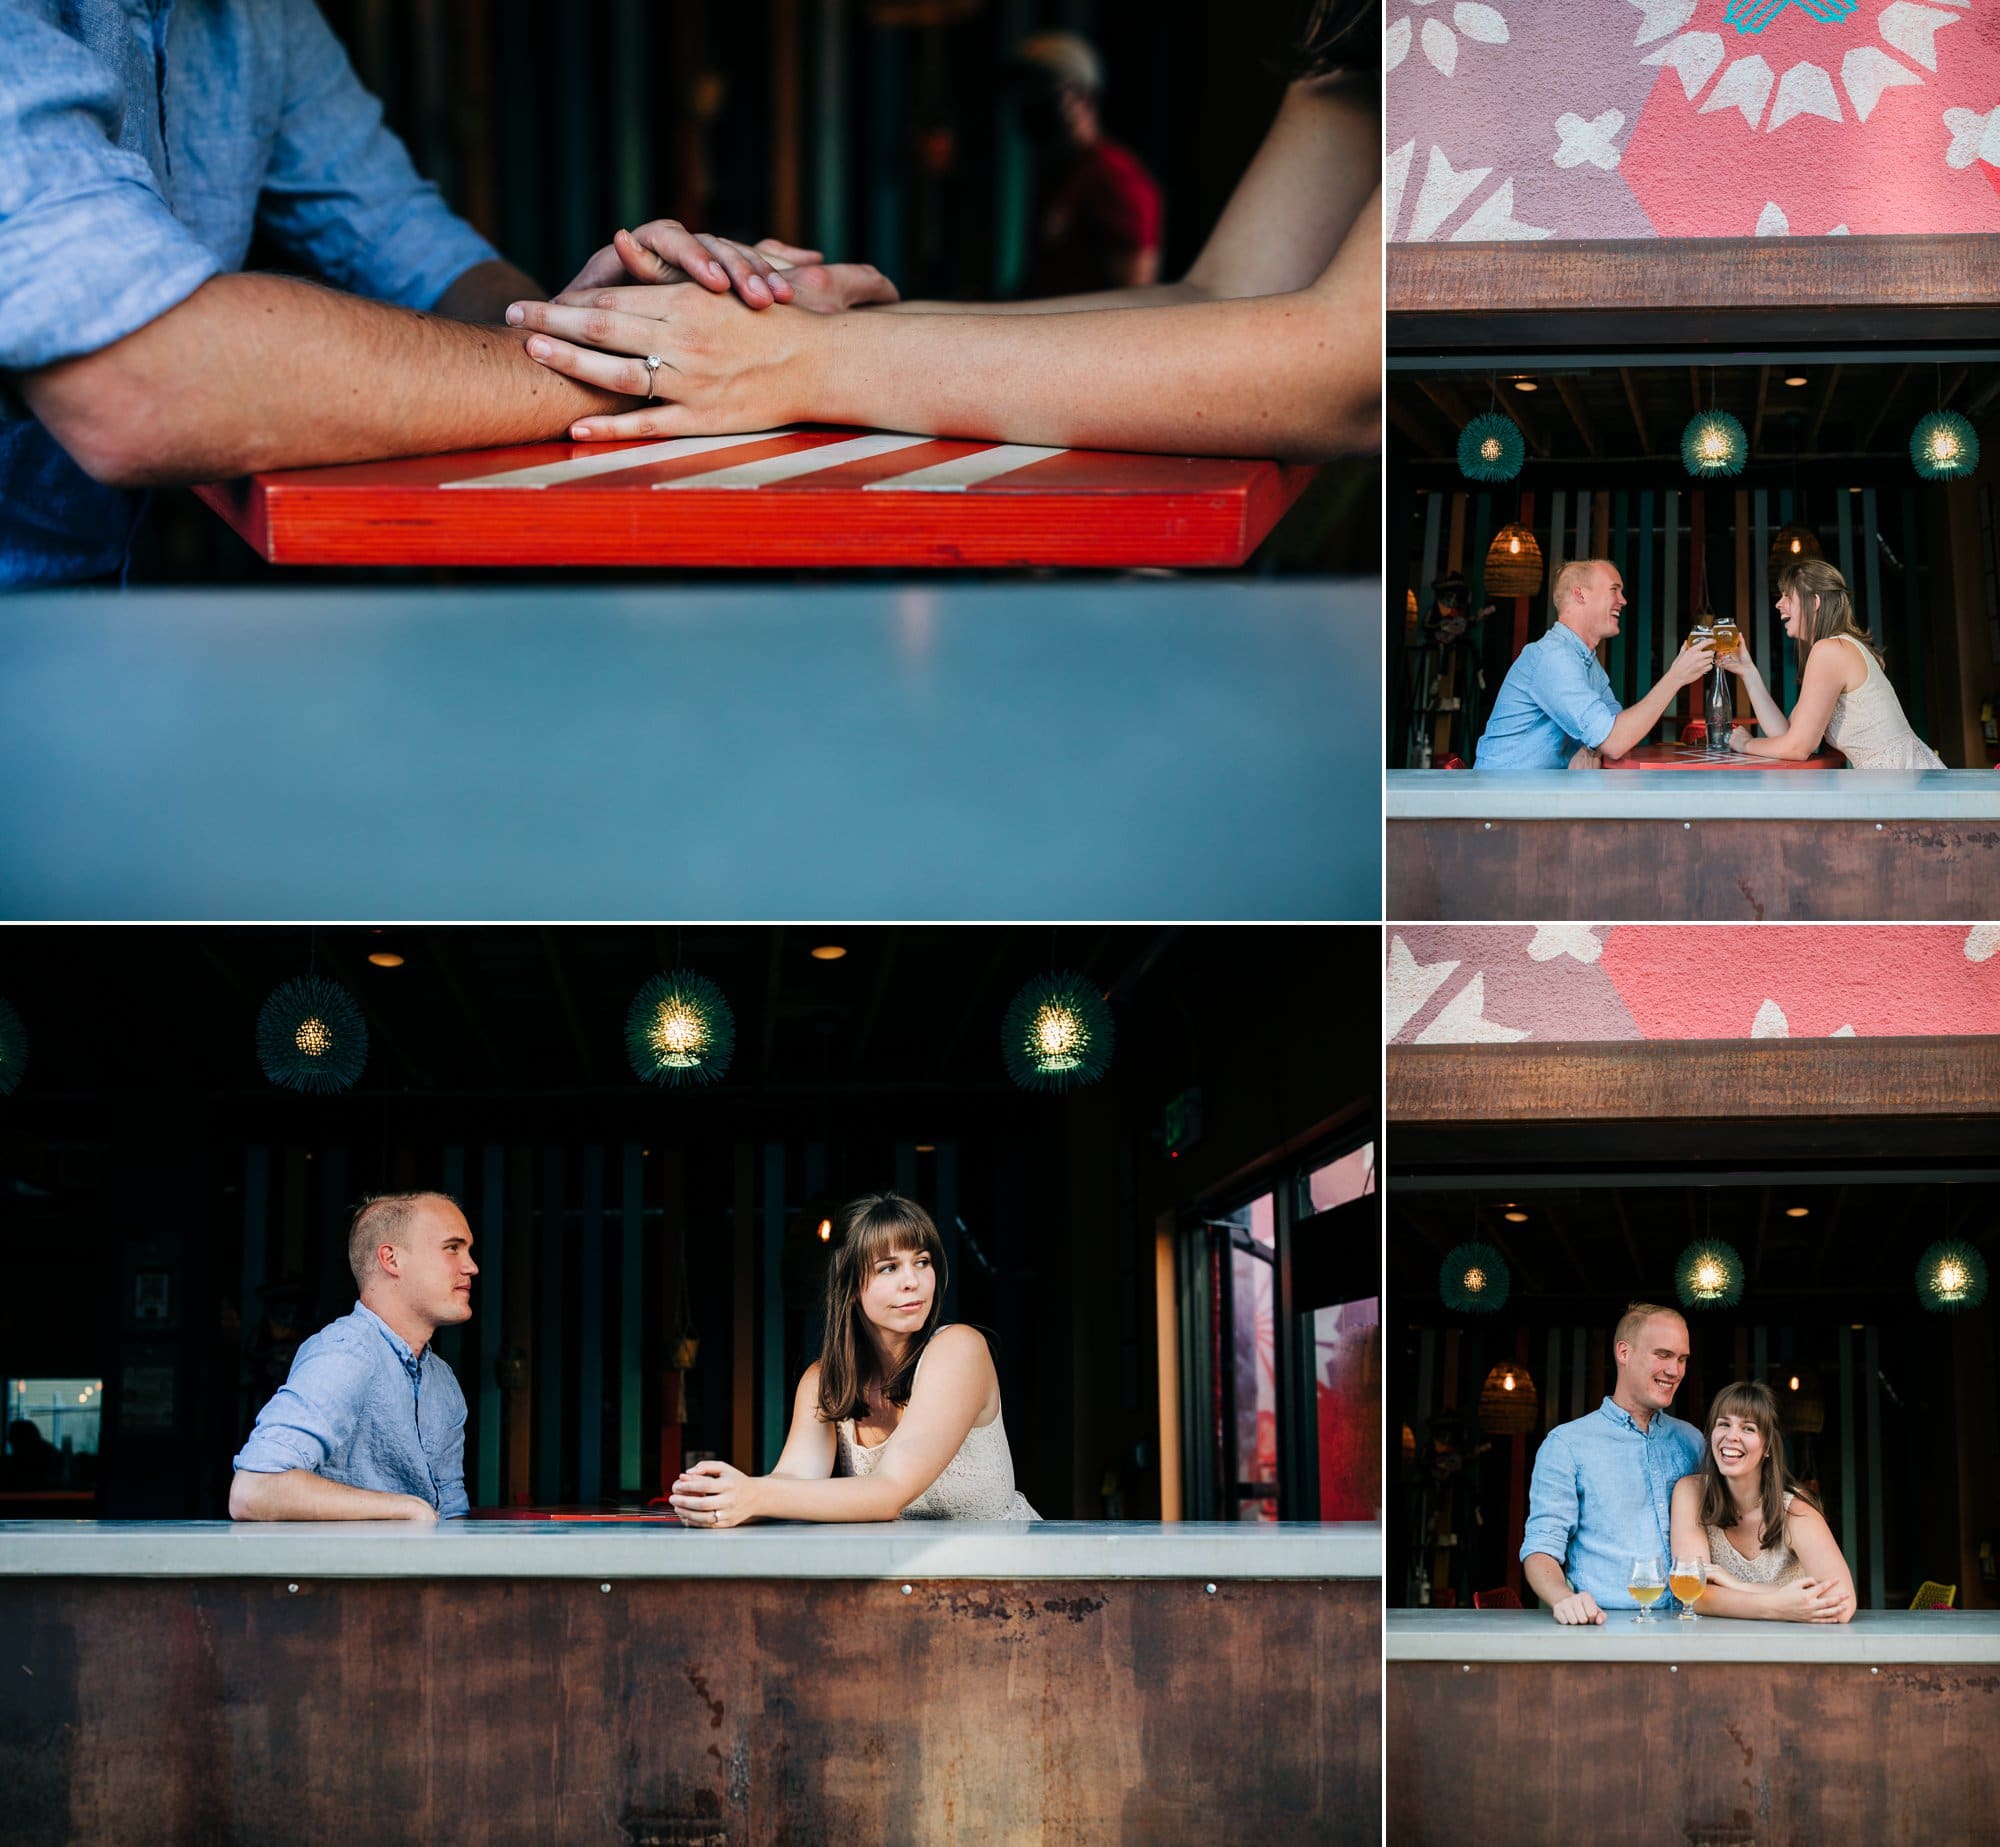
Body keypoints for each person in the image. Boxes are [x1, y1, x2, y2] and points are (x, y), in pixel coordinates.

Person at [505, 1, 1379, 462]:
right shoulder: (1345, 25)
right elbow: (1227, 296)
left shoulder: (1115, 179)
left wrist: (807, 361)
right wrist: (823, 331)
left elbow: (1353, 367)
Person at [668, 1193, 1038, 1526]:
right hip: (899, 1577)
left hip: (1006, 1576)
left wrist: (755, 1496)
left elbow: (890, 1491)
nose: (913, 1281)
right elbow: (794, 1480)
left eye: (922, 1262)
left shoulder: (959, 1348)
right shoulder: (823, 1381)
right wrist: (725, 1496)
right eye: (888, 1267)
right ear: (849, 1285)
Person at [229, 1192, 475, 1522]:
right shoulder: (347, 1352)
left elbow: (451, 1515)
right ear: (391, 1259)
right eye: (452, 1248)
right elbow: (254, 1490)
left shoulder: (442, 1381)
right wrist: (408, 1508)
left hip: (415, 1573)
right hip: (336, 1574)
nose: (470, 1266)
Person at [1520, 1303, 1704, 1624]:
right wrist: (1563, 1598)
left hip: (1690, 1627)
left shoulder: (1693, 1442)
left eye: (1682, 1359)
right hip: (1603, 1630)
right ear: (1623, 1352)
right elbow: (1541, 1548)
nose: (1675, 1371)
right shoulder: (1566, 1444)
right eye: (1662, 1355)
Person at [1474, 559, 1715, 770]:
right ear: (1580, 594)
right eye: (1614, 590)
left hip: (1535, 800)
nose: (1623, 600)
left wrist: (1594, 748)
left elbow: (1621, 733)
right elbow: (1615, 741)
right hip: (1500, 804)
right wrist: (1676, 676)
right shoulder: (1553, 657)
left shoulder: (1585, 661)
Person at [1724, 558, 1946, 768]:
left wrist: (1745, 744)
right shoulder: (1837, 648)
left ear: (1815, 602)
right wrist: (1748, 672)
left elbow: (1798, 747)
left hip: (1899, 778)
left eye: (1787, 596)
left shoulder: (1830, 651)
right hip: (1898, 777)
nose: (1778, 604)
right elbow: (1787, 734)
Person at [1668, 1380, 1855, 1622]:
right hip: (1718, 1649)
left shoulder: (1797, 1511)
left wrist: (1734, 1585)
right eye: (1723, 1424)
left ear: (1767, 1446)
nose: (1731, 1436)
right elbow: (1692, 1594)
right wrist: (1778, 1606)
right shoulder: (1691, 1493)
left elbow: (1842, 1603)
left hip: (1790, 1650)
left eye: (1748, 1428)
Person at [1011, 31, 1163, 297]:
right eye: (1024, 94)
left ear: (1085, 97)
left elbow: (1135, 294)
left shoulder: (1114, 176)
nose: (1032, 104)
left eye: (1044, 94)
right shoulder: (1063, 172)